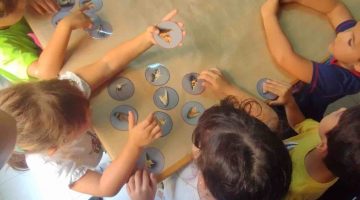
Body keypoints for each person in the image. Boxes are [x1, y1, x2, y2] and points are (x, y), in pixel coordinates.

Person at [0, 9, 184, 198]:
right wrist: (134, 145)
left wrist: (148, 38)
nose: (91, 112)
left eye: (85, 106)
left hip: (102, 138)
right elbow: (104, 187)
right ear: (56, 146)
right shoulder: (51, 167)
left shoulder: (61, 92)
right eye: (85, 120)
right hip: (95, 156)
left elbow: (107, 65)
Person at [124, 68, 292, 200]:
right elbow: (271, 119)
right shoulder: (266, 163)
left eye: (201, 144)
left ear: (203, 183)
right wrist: (229, 90)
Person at [261, 0, 360, 121]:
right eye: (355, 26)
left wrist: (268, 15)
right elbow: (335, 8)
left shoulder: (337, 80)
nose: (342, 34)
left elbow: (285, 57)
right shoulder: (353, 41)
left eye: (350, 41)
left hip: (293, 113)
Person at [263, 79, 360, 199]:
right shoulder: (328, 141)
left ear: (323, 146)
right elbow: (301, 124)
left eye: (341, 115)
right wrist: (289, 102)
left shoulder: (295, 190)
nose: (342, 108)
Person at [0, 0, 92, 83]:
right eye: (20, 5)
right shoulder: (3, 53)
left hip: (41, 35)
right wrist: (65, 26)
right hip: (48, 78)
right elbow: (45, 73)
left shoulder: (7, 16)